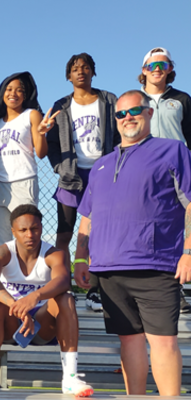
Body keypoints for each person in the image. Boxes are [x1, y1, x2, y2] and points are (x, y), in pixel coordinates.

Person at [74, 90, 191, 396]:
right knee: (129, 341)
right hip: (109, 269)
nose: (128, 118)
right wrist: (80, 259)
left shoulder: (173, 151)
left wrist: (189, 251)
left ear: (149, 112)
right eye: (121, 114)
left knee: (164, 342)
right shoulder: (101, 165)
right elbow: (86, 218)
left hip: (156, 265)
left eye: (134, 111)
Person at [0, 204, 93, 396]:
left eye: (34, 228)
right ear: (13, 231)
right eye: (23, 230)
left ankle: (70, 378)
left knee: (66, 298)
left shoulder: (54, 253)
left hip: (43, 324)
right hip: (11, 323)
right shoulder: (2, 252)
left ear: (41, 228)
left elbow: (63, 281)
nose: (29, 235)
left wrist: (35, 296)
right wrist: (17, 306)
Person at [47, 53, 119, 313]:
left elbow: (121, 133)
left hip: (102, 174)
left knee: (99, 234)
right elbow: (52, 143)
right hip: (71, 176)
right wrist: (59, 166)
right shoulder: (61, 105)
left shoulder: (109, 100)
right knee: (64, 234)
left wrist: (115, 164)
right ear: (69, 75)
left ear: (93, 72)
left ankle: (96, 290)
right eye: (76, 68)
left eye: (86, 67)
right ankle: (61, 285)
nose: (81, 72)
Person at [138, 47, 191, 313]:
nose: (157, 69)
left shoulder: (182, 99)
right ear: (143, 70)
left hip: (176, 171)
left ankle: (175, 288)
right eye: (151, 65)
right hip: (143, 171)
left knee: (175, 228)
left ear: (170, 69)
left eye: (163, 64)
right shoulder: (135, 100)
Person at [0, 72, 55, 250]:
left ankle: (27, 278)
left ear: (25, 95)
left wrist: (43, 133)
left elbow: (41, 152)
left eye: (19, 90)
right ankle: (2, 277)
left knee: (26, 239)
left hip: (23, 181)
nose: (13, 93)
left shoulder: (32, 115)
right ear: (2, 93)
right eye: (9, 89)